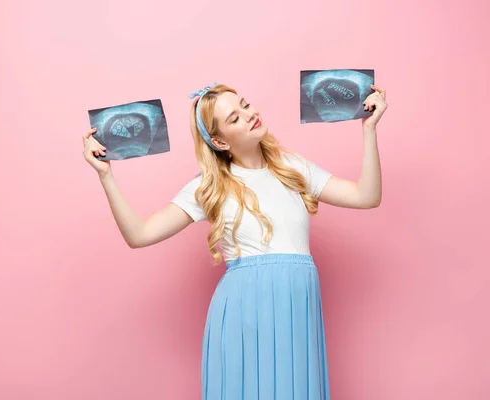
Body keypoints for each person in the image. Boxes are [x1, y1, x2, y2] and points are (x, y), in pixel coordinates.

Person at [82, 82, 387, 400]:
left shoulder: (293, 168)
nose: (249, 114)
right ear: (218, 141)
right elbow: (139, 235)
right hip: (244, 314)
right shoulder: (207, 188)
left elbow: (367, 196)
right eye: (235, 118)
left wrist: (369, 130)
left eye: (245, 104)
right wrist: (106, 176)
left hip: (298, 312)